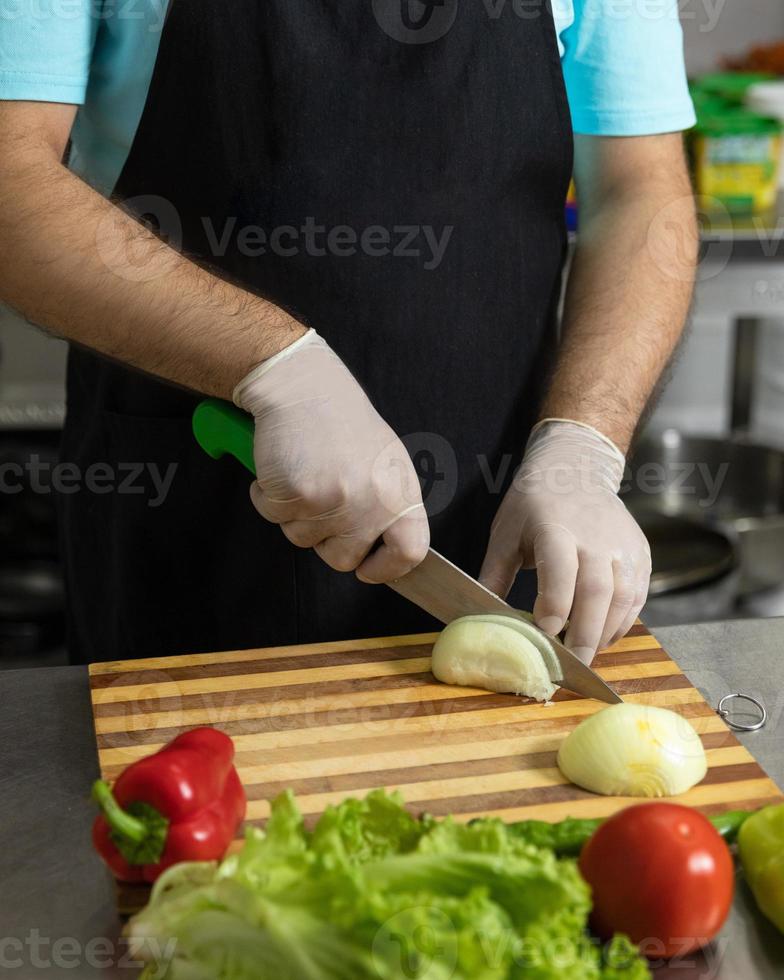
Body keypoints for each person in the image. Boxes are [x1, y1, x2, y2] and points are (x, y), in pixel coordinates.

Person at [0, 0, 697, 664]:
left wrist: (584, 442)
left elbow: (638, 192)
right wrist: (280, 370)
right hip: (191, 505)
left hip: (497, 528)